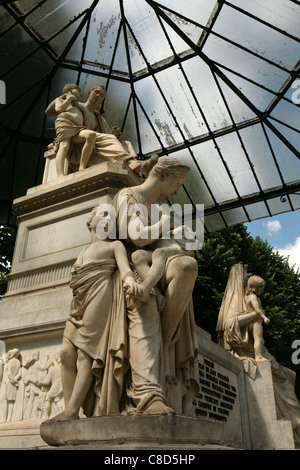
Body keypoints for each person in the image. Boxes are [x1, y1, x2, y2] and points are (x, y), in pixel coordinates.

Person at [113, 156, 199, 414]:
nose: (178, 189)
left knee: (187, 266)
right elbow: (137, 237)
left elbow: (169, 240)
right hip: (133, 266)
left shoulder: (158, 208)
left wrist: (180, 234)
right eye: (178, 182)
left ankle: (164, 341)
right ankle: (148, 391)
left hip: (155, 263)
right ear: (164, 175)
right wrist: (167, 224)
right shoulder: (128, 196)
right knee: (147, 302)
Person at [47, 205, 143, 421]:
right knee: (65, 354)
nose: (108, 220)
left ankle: (71, 411)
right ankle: (69, 409)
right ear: (90, 222)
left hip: (100, 296)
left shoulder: (115, 245)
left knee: (85, 355)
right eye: (104, 215)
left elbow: (125, 269)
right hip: (78, 304)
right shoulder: (82, 251)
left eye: (112, 217)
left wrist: (129, 280)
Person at [45, 83, 159, 177]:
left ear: (102, 101)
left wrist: (116, 134)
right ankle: (134, 165)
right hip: (82, 139)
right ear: (90, 93)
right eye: (96, 92)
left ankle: (134, 168)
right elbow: (52, 112)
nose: (97, 96)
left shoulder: (98, 117)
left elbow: (108, 135)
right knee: (108, 139)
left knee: (126, 143)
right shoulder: (76, 105)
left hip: (94, 141)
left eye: (101, 96)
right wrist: (64, 96)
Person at [45, 84, 98, 178]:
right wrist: (68, 99)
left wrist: (84, 111)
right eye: (78, 91)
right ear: (70, 90)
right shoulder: (61, 99)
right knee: (64, 146)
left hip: (77, 129)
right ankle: (60, 175)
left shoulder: (78, 106)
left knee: (91, 135)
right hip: (64, 124)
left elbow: (87, 127)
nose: (80, 95)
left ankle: (82, 167)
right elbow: (58, 109)